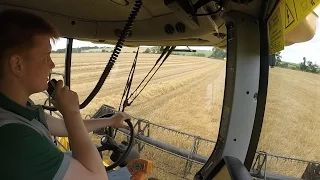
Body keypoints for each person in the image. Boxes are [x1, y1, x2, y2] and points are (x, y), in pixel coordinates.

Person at [0, 9, 132, 180]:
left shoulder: (18, 107)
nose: (52, 64)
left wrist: (111, 121)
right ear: (18, 65)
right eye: (46, 56)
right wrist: (71, 111)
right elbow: (98, 178)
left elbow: (62, 127)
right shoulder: (15, 138)